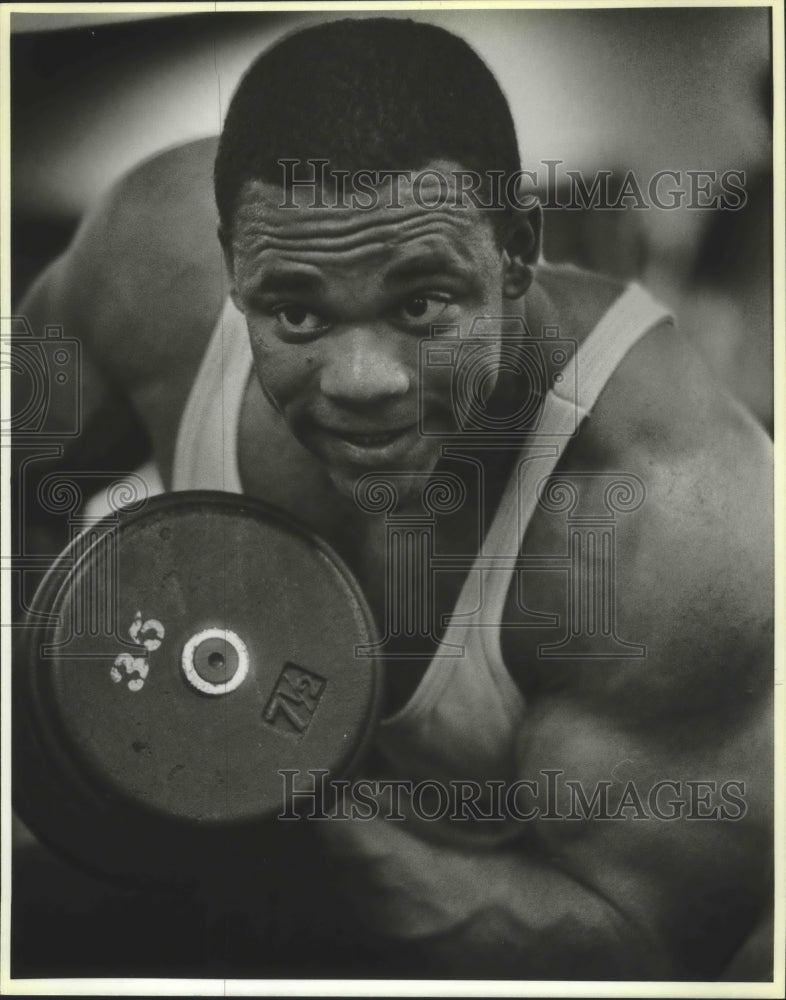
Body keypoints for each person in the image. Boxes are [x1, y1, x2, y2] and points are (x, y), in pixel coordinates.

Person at [16, 17, 773, 981]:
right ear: (232, 266)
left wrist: (258, 776)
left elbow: (644, 941)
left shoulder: (680, 522)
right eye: (296, 313)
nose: (361, 380)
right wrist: (56, 709)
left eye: (421, 305)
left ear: (516, 252)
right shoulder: (151, 257)